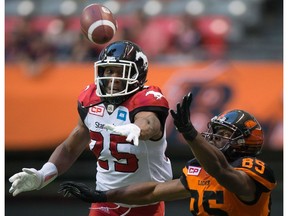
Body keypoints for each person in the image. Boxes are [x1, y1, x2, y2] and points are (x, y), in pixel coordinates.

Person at [9, 40, 173, 216]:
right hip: (104, 200)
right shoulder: (91, 99)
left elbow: (149, 122)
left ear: (138, 74)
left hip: (145, 203)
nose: (113, 78)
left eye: (121, 71)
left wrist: (138, 129)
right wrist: (44, 174)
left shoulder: (146, 98)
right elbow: (70, 147)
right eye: (109, 71)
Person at [59, 93, 277, 216]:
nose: (212, 137)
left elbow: (220, 171)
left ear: (242, 142)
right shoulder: (199, 169)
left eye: (222, 134)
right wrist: (106, 195)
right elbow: (153, 192)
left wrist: (191, 134)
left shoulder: (253, 171)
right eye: (213, 131)